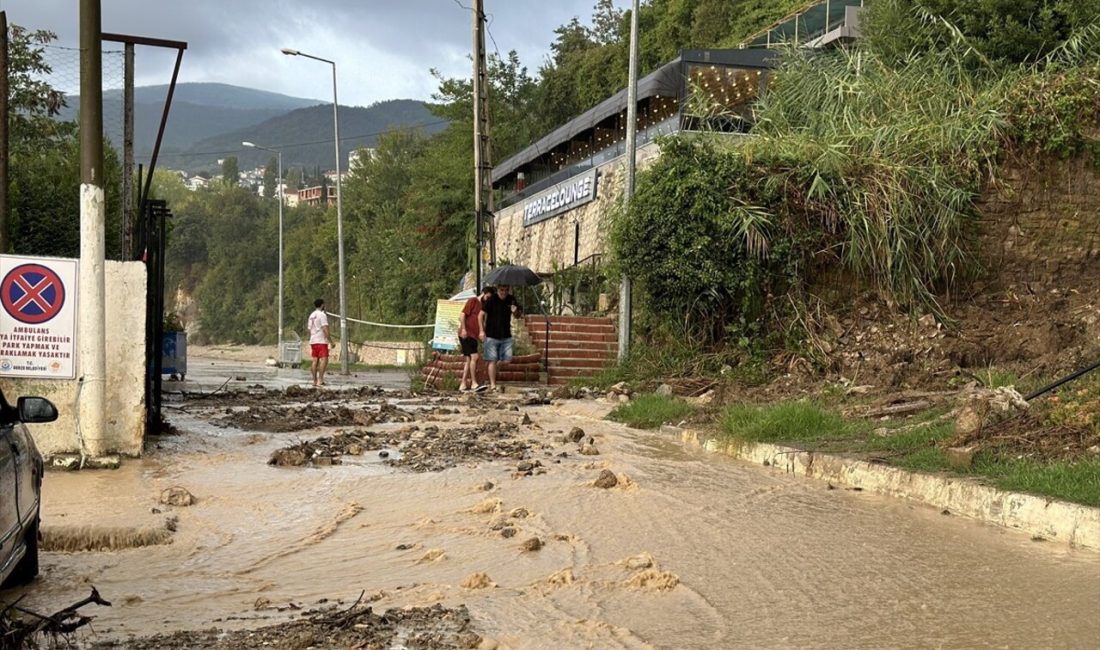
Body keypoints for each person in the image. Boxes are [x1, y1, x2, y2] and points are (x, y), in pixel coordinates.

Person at [478, 284, 522, 392]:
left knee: (507, 359)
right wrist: (481, 331)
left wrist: (515, 311)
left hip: (506, 334)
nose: (504, 292)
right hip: (491, 334)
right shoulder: (492, 299)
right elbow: (480, 314)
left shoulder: (511, 299)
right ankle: (493, 385)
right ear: (498, 290)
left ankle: (491, 370)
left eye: (506, 290)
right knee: (492, 360)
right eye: (502, 290)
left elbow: (518, 316)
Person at [458, 286, 493, 392]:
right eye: (487, 297)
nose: (488, 299)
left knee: (469, 360)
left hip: (473, 336)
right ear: (483, 293)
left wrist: (482, 335)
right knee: (475, 357)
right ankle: (474, 383)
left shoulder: (484, 307)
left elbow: (481, 323)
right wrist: (464, 329)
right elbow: (462, 315)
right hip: (466, 334)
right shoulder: (473, 301)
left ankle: (463, 384)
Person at [307, 298, 334, 387]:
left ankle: (314, 381)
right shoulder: (322, 315)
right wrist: (331, 341)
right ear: (322, 305)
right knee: (324, 359)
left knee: (315, 360)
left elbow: (309, 329)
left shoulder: (311, 315)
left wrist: (310, 339)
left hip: (313, 340)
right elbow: (325, 328)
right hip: (321, 340)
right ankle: (320, 380)